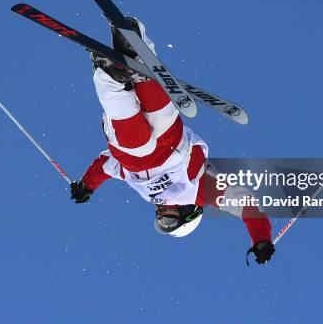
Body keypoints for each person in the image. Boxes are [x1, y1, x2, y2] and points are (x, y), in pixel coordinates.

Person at [69, 17, 275, 265]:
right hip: (171, 143)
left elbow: (105, 164)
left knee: (138, 146)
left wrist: (86, 186)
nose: (161, 216)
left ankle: (111, 77)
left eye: (160, 222)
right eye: (168, 221)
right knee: (161, 119)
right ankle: (138, 51)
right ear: (188, 214)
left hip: (131, 151)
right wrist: (261, 239)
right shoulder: (197, 193)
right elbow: (247, 206)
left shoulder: (144, 193)